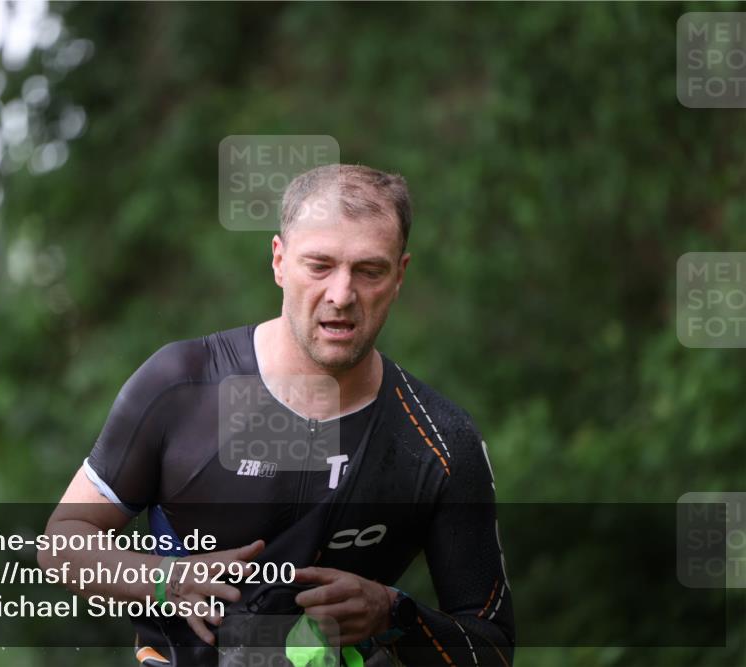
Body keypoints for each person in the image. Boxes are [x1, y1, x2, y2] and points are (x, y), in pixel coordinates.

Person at [40, 164, 515, 666]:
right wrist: (166, 579)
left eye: (369, 270)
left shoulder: (440, 441)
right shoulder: (181, 384)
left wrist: (394, 614)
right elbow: (62, 543)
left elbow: (493, 650)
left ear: (399, 276)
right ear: (279, 261)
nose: (341, 294)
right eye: (319, 266)